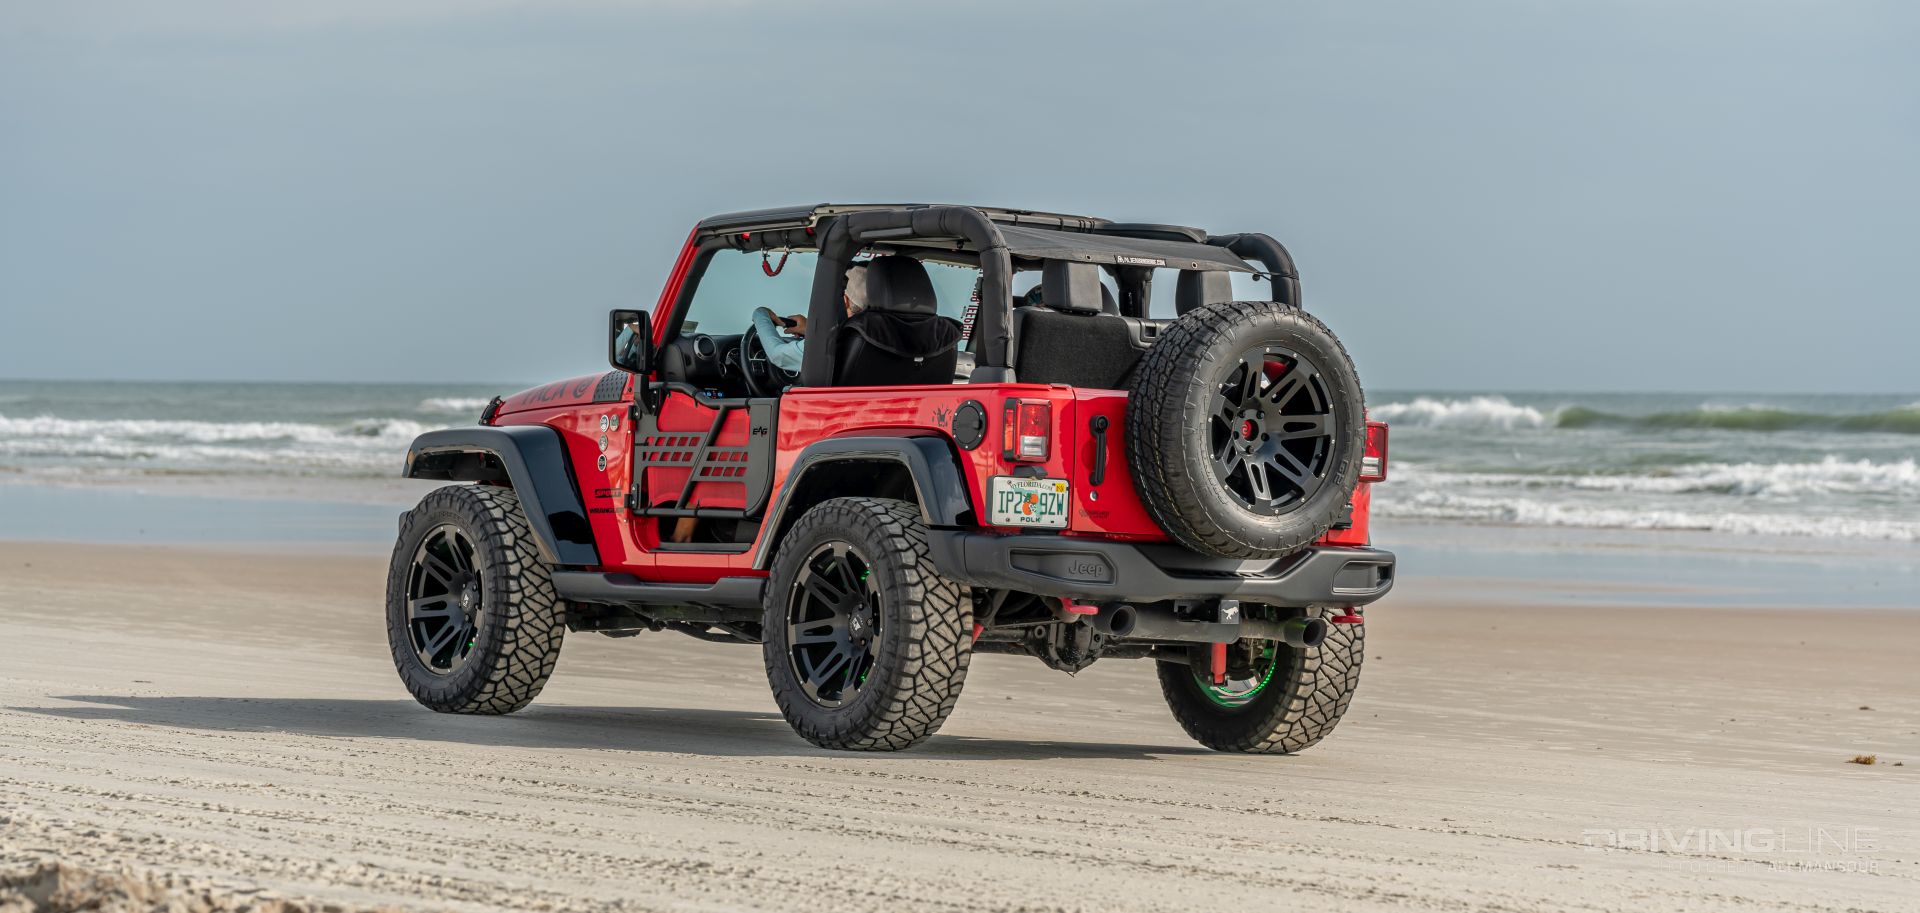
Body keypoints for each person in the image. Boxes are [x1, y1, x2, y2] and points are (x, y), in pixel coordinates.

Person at [749, 263, 868, 374]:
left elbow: (778, 355)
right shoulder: (881, 332)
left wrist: (760, 314)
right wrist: (810, 330)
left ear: (845, 300)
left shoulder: (833, 341)